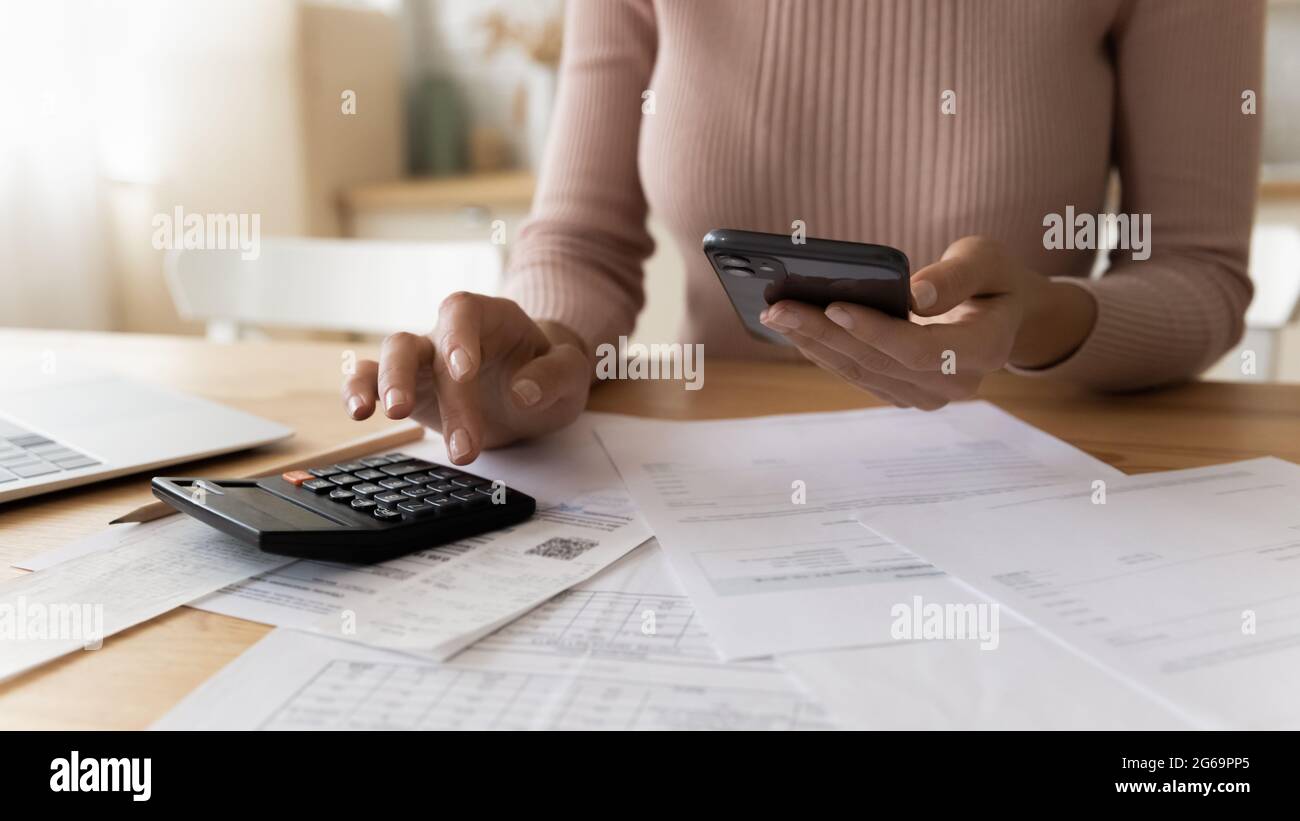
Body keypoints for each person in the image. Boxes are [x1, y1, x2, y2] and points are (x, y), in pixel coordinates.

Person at [342, 0, 1263, 465]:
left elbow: (1199, 273)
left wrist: (1037, 320)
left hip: (1039, 478)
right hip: (707, 487)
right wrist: (538, 357)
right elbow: (581, 241)